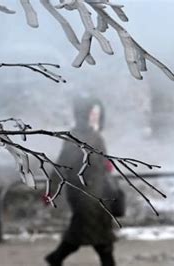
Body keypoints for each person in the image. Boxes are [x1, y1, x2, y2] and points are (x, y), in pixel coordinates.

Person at [45, 96, 118, 266]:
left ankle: (56, 258)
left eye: (97, 113)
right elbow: (62, 165)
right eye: (93, 113)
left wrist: (105, 165)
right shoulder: (76, 138)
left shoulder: (95, 137)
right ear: (84, 115)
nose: (96, 117)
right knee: (97, 238)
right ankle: (56, 258)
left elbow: (102, 163)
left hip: (99, 193)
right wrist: (51, 190)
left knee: (90, 235)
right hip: (85, 194)